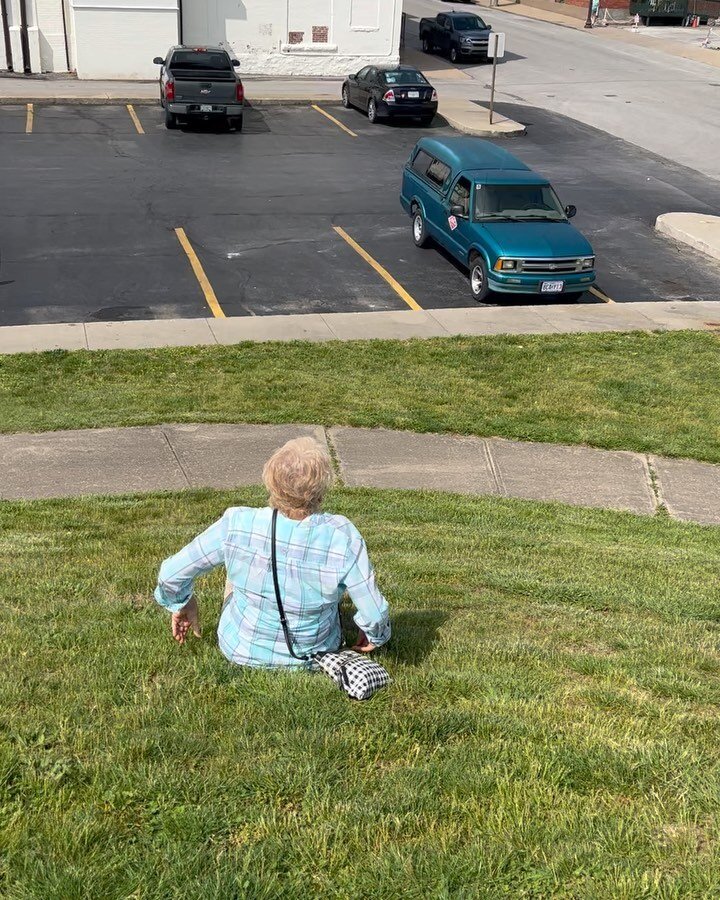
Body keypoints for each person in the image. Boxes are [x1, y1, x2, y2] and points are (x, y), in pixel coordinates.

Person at [153, 436, 391, 667]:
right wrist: (375, 635)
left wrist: (183, 603)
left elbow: (171, 575)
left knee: (238, 560)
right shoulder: (342, 535)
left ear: (271, 480)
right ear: (320, 490)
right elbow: (375, 613)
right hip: (315, 654)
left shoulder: (237, 523)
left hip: (241, 649)